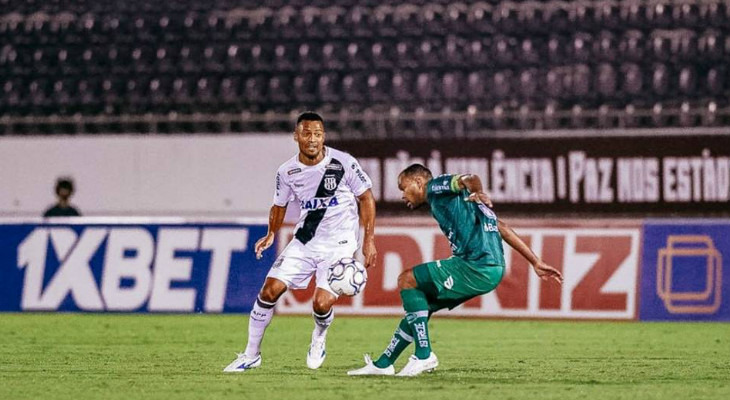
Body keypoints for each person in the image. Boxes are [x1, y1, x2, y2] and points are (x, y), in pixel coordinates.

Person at [348, 164, 563, 377]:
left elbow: (469, 177)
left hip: (475, 265)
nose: (402, 195)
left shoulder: (435, 187)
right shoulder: (467, 204)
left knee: (407, 280)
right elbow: (502, 228)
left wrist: (476, 189)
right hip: (490, 268)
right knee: (419, 310)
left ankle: (424, 356)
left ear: (418, 182)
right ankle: (384, 363)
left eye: (403, 188)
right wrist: (535, 261)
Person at [224, 111, 377, 372]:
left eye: (318, 134)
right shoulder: (287, 171)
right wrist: (271, 232)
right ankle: (251, 355)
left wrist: (368, 240)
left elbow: (366, 198)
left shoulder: (343, 162)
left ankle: (318, 338)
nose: (313, 139)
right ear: (296, 136)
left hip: (339, 244)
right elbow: (278, 204)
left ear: (324, 136)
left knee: (321, 303)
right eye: (307, 133)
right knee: (269, 291)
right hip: (305, 241)